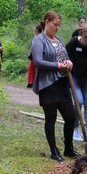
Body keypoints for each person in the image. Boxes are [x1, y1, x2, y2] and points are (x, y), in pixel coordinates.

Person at [31, 11, 77, 162]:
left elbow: (65, 57)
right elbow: (37, 61)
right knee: (50, 118)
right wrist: (57, 66)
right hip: (47, 84)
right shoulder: (39, 40)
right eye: (55, 24)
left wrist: (69, 62)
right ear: (46, 22)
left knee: (70, 117)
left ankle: (69, 149)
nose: (57, 28)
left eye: (59, 25)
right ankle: (53, 151)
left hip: (62, 83)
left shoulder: (59, 40)